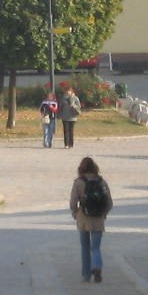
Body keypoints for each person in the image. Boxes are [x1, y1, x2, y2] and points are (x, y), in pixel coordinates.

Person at [69, 156, 113, 284]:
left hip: (83, 218)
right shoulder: (102, 182)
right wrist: (103, 213)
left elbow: (73, 202)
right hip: (98, 218)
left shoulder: (78, 182)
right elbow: (109, 203)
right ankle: (97, 267)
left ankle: (86, 275)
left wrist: (75, 213)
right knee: (96, 248)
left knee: (85, 247)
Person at [58, 84, 82, 149]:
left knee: (71, 131)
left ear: (72, 91)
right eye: (67, 91)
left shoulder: (75, 98)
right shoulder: (63, 98)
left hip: (72, 117)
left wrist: (74, 105)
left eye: (69, 91)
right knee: (66, 131)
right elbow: (60, 107)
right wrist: (59, 114)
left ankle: (71, 144)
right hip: (65, 117)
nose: (68, 92)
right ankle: (66, 144)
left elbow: (79, 106)